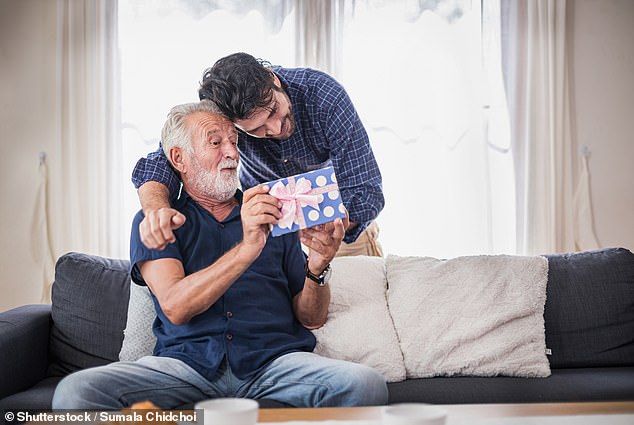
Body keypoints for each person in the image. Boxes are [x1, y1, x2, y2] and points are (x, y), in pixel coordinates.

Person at [52, 100, 388, 409]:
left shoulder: (273, 213)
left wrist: (318, 266)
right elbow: (176, 306)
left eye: (234, 142)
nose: (231, 153)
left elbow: (311, 318)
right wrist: (247, 248)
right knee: (76, 392)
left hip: (273, 363)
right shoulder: (156, 221)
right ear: (178, 158)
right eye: (215, 143)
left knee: (365, 384)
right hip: (184, 367)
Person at [132, 52, 384, 257]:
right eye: (256, 129)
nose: (275, 129)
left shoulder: (323, 95)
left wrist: (310, 223)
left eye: (274, 109)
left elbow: (367, 192)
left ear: (272, 78)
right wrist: (155, 210)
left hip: (339, 227)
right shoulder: (222, 114)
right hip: (267, 238)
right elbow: (162, 160)